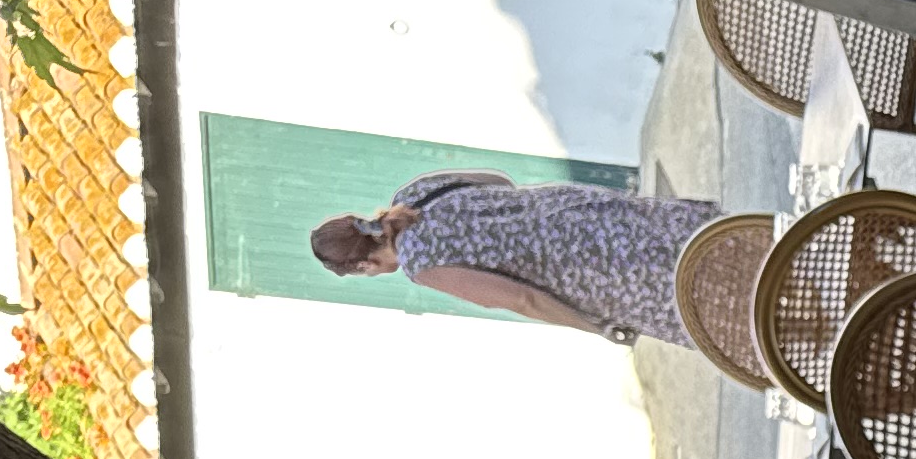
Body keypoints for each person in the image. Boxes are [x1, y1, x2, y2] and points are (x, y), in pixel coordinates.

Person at [309, 172, 723, 347]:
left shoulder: (423, 265)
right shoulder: (414, 192)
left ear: (362, 267)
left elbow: (521, 299)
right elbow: (500, 182)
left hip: (598, 272)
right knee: (724, 245)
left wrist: (598, 327)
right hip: (587, 211)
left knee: (719, 310)